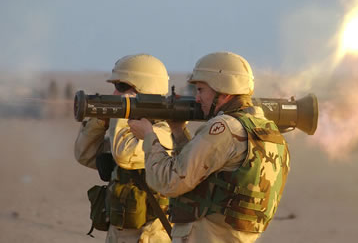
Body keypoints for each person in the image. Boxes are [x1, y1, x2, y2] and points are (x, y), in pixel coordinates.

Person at [128, 51, 290, 243]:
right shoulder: (267, 130)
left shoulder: (224, 128)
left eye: (201, 90)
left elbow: (170, 181)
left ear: (223, 90)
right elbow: (207, 176)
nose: (197, 98)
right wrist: (179, 132)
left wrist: (148, 136)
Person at [74, 54, 172, 243]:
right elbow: (84, 155)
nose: (116, 94)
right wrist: (100, 121)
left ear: (144, 88)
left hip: (150, 236)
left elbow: (124, 156)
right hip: (120, 233)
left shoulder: (163, 131)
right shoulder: (126, 131)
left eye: (121, 87)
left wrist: (123, 111)